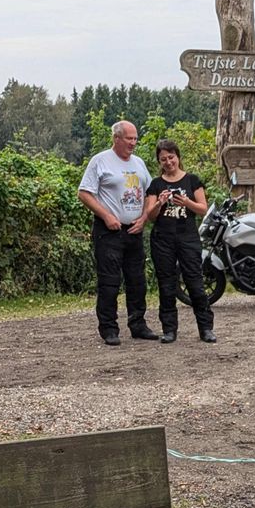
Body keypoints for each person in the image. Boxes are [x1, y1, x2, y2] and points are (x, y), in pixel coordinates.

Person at [78, 120, 158, 346]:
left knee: (137, 281)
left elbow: (150, 192)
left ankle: (138, 324)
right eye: (129, 138)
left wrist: (144, 218)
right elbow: (84, 193)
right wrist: (106, 215)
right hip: (109, 231)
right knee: (110, 281)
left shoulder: (139, 163)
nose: (133, 143)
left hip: (134, 230)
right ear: (116, 138)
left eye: (135, 138)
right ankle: (109, 328)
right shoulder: (100, 161)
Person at [145, 139, 216, 344]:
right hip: (162, 239)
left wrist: (186, 202)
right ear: (159, 162)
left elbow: (203, 209)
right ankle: (169, 329)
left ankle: (205, 328)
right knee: (166, 285)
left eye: (171, 157)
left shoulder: (192, 180)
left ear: (178, 157)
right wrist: (160, 202)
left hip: (187, 237)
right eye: (163, 159)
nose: (168, 162)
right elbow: (150, 215)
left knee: (195, 283)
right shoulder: (156, 184)